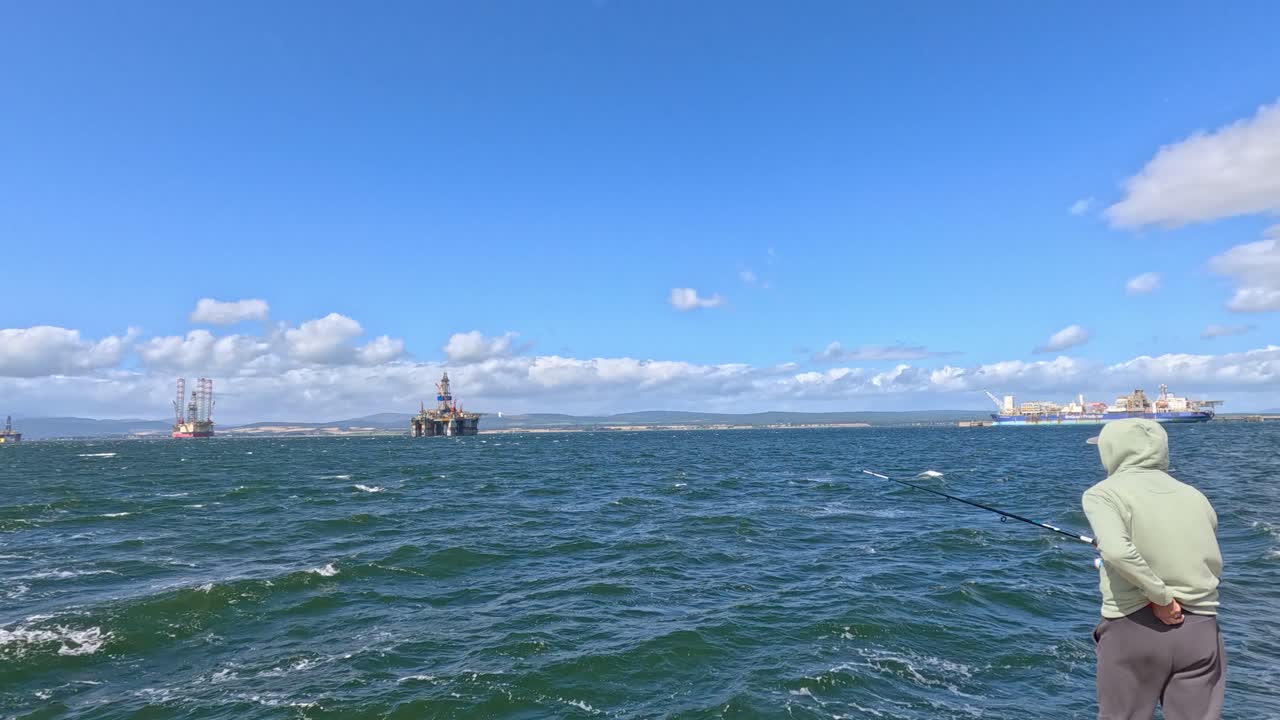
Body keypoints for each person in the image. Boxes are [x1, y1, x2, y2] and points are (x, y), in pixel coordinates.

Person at [1082, 418, 1225, 720]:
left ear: (1113, 451)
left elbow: (1118, 550)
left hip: (1134, 627)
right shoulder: (1195, 496)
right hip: (1200, 630)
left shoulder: (1103, 493)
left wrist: (1160, 598)